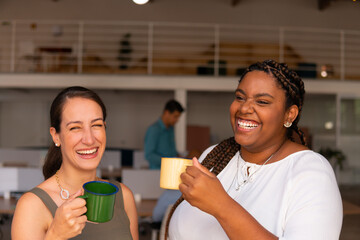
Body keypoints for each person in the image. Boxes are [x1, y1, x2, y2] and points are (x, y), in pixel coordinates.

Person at [165, 60, 343, 239]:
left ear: (290, 114)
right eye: (240, 97)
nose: (244, 108)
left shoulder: (310, 173)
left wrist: (221, 205)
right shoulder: (214, 155)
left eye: (262, 101)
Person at [11, 86, 139, 240]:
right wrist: (55, 235)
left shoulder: (123, 196)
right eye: (75, 128)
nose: (89, 139)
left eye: (96, 125)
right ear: (56, 136)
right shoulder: (32, 205)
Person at [144, 99, 184, 170]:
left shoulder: (171, 129)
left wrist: (180, 157)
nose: (177, 120)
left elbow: (171, 152)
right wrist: (170, 161)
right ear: (167, 112)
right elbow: (149, 155)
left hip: (171, 170)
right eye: (175, 116)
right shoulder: (154, 129)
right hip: (157, 173)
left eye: (178, 117)